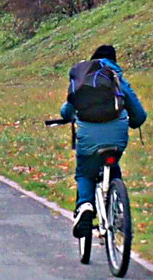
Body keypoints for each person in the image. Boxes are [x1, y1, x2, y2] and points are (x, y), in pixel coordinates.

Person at [60, 45, 147, 238]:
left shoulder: (84, 80)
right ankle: (119, 210)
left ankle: (85, 205)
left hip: (88, 139)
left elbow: (66, 112)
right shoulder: (117, 78)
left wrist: (69, 116)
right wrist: (131, 121)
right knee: (113, 163)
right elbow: (139, 116)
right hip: (117, 136)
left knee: (85, 173)